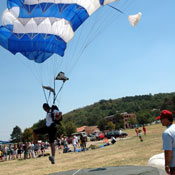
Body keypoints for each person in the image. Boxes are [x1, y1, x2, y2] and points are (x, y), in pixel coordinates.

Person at [156, 110, 175, 175]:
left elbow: (168, 150)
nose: (160, 121)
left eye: (161, 119)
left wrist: (167, 165)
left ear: (167, 119)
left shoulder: (167, 133)